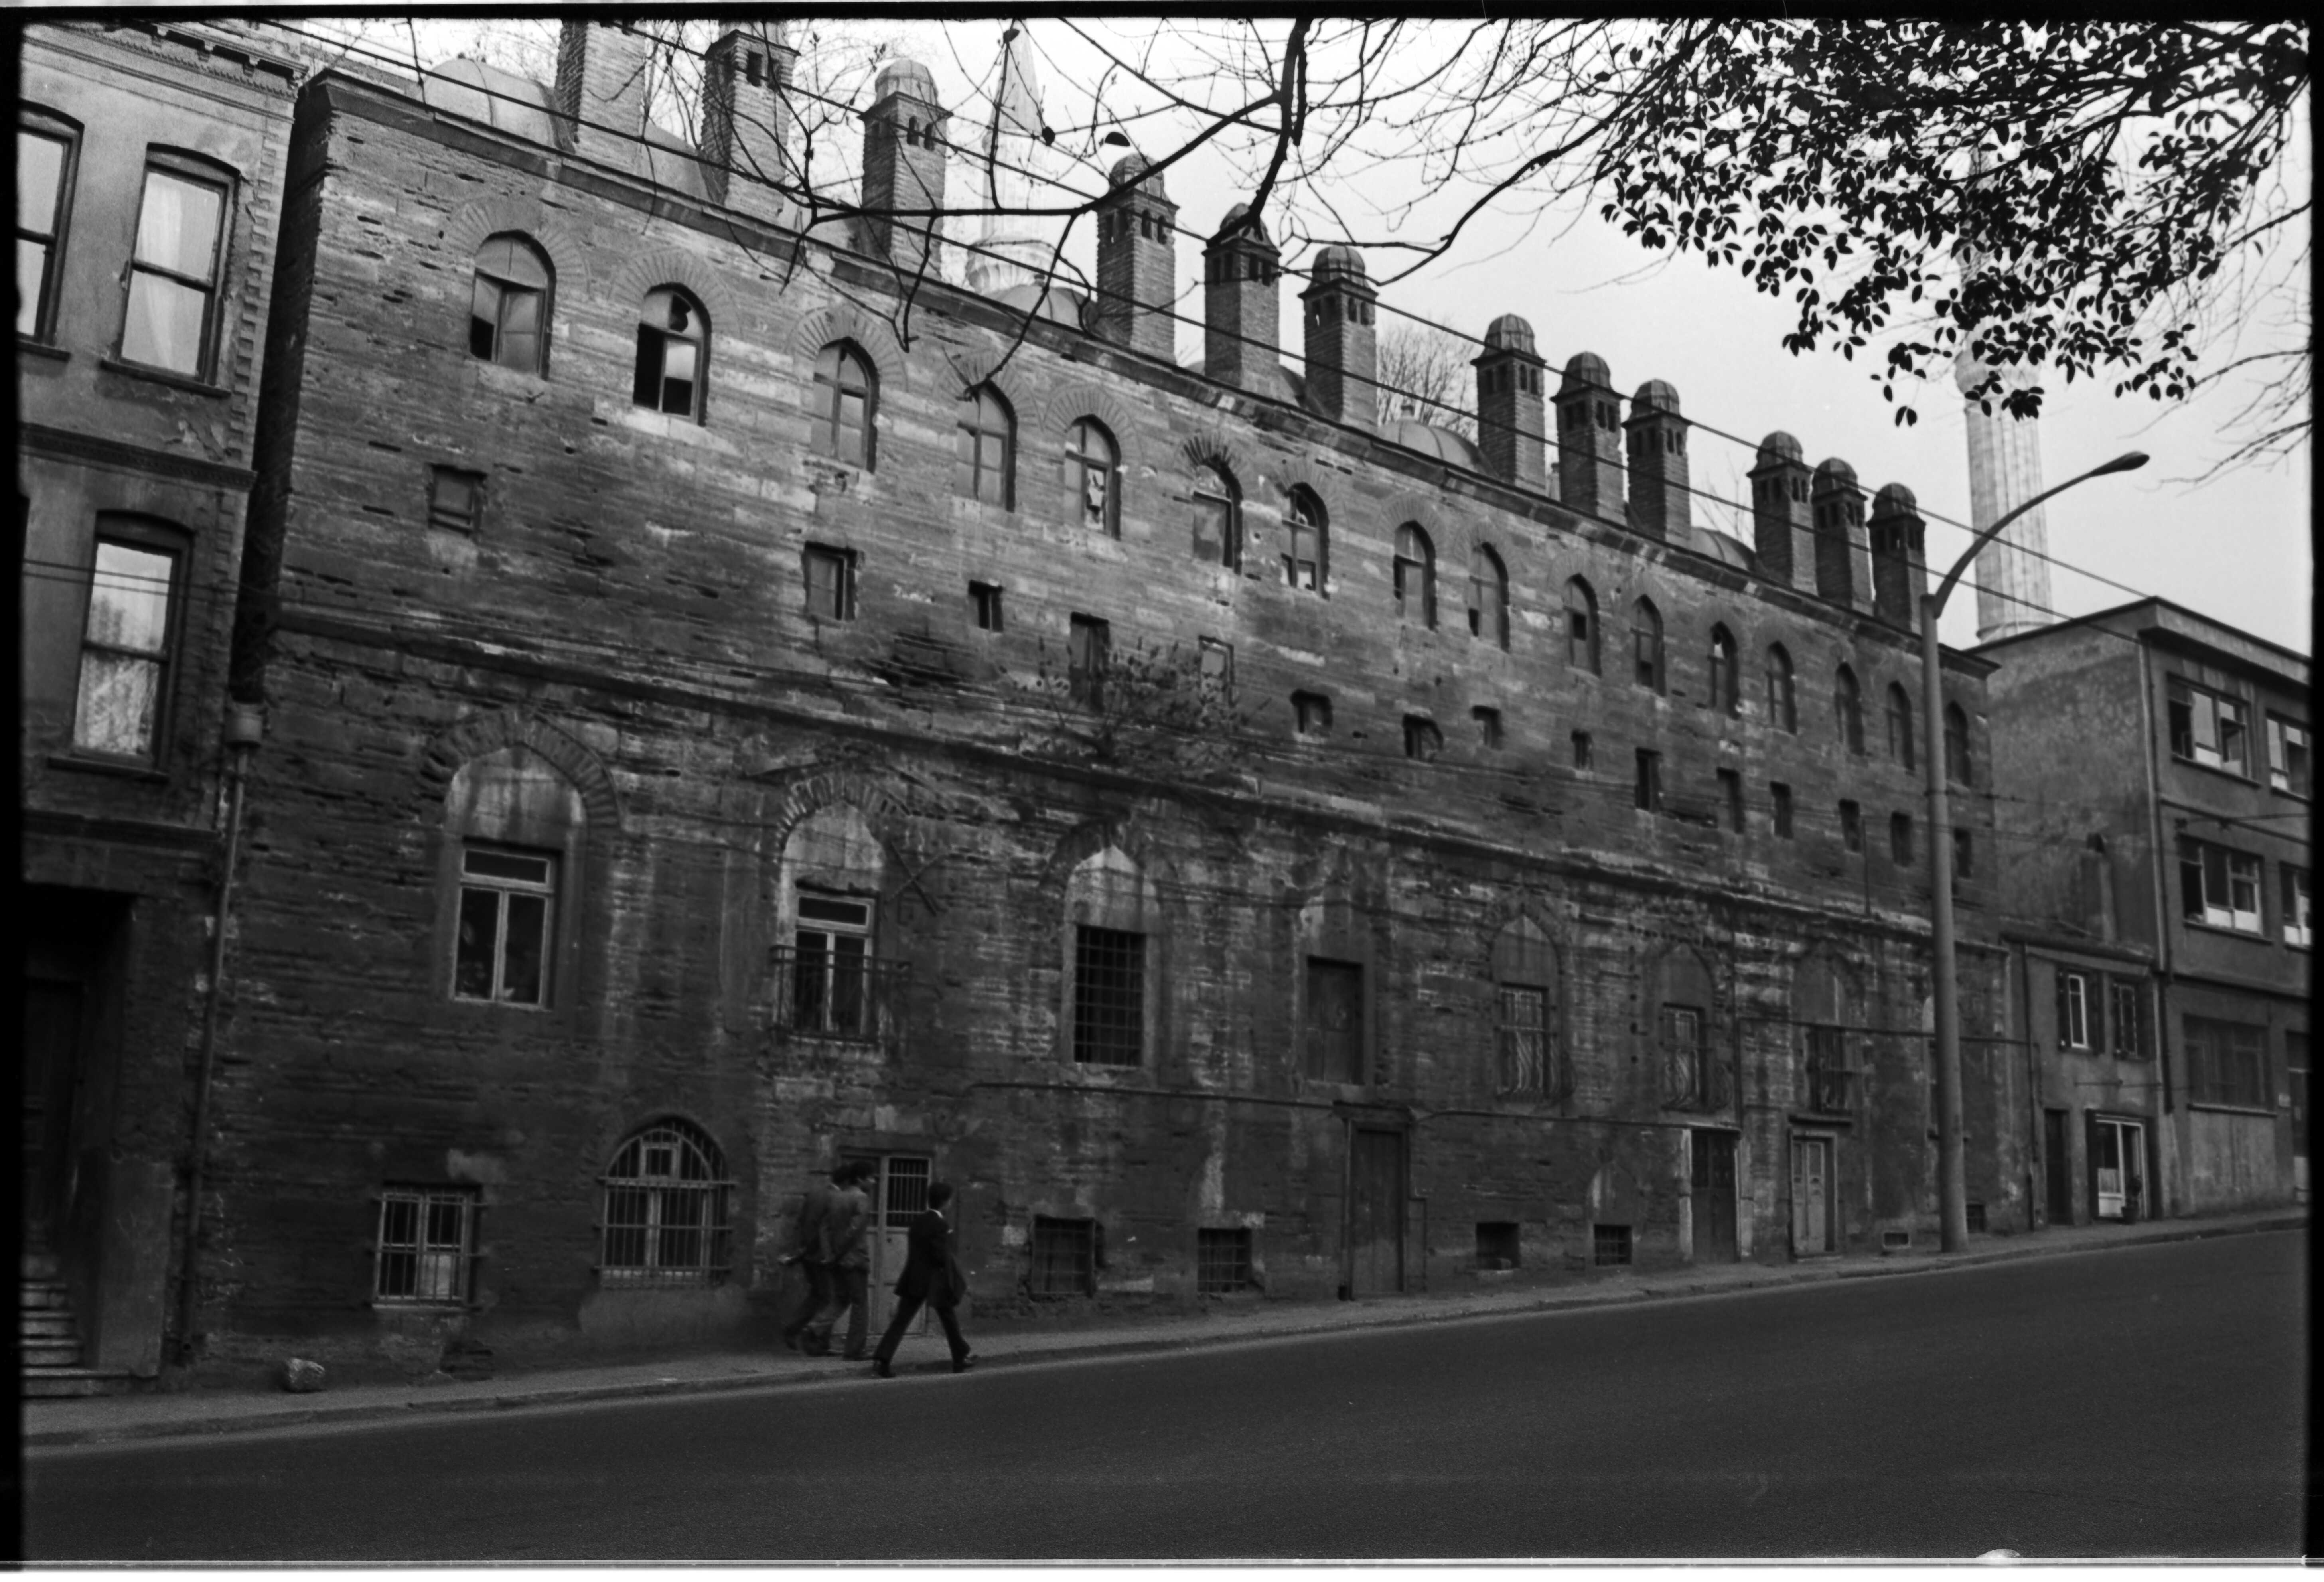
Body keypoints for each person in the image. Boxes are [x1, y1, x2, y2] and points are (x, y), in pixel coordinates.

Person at [870, 1179, 974, 1377]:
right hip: (935, 1280)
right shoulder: (940, 1224)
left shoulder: (918, 1221)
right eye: (949, 1201)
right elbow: (939, 1255)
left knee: (901, 1321)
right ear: (944, 1202)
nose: (950, 1204)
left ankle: (882, 1360)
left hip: (914, 1278)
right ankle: (959, 1358)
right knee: (949, 1320)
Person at [806, 1159, 875, 1361]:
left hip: (836, 1260)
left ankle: (815, 1327)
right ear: (861, 1179)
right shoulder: (861, 1198)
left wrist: (830, 1255)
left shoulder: (837, 1198)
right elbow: (854, 1231)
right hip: (854, 1260)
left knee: (840, 1300)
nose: (873, 1182)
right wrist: (839, 1254)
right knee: (860, 1304)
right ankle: (855, 1350)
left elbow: (825, 1228)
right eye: (871, 1178)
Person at [779, 1165, 840, 1354]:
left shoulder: (814, 1195)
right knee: (827, 1298)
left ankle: (805, 1334)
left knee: (819, 1295)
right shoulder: (835, 1199)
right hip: (821, 1255)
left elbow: (801, 1223)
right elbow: (825, 1230)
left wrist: (799, 1251)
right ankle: (812, 1338)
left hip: (809, 1254)